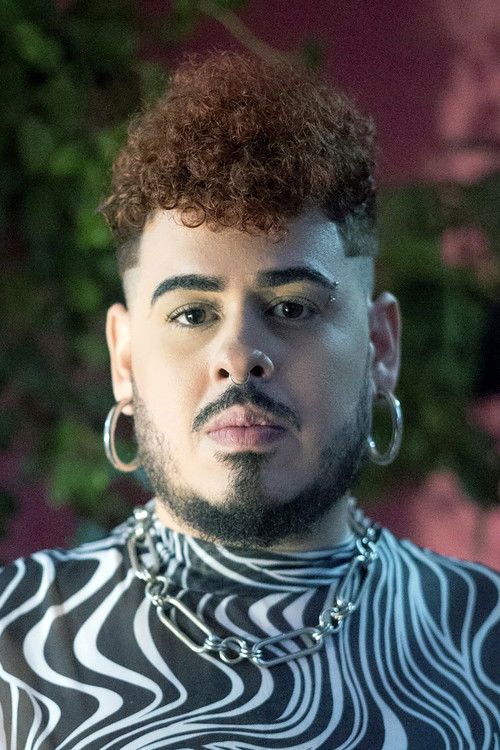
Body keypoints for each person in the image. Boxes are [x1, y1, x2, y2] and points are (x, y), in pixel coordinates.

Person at [0, 50, 498, 750]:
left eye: (292, 308)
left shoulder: (486, 642)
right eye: (191, 314)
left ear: (381, 349)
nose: (238, 355)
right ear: (125, 359)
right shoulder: (13, 643)